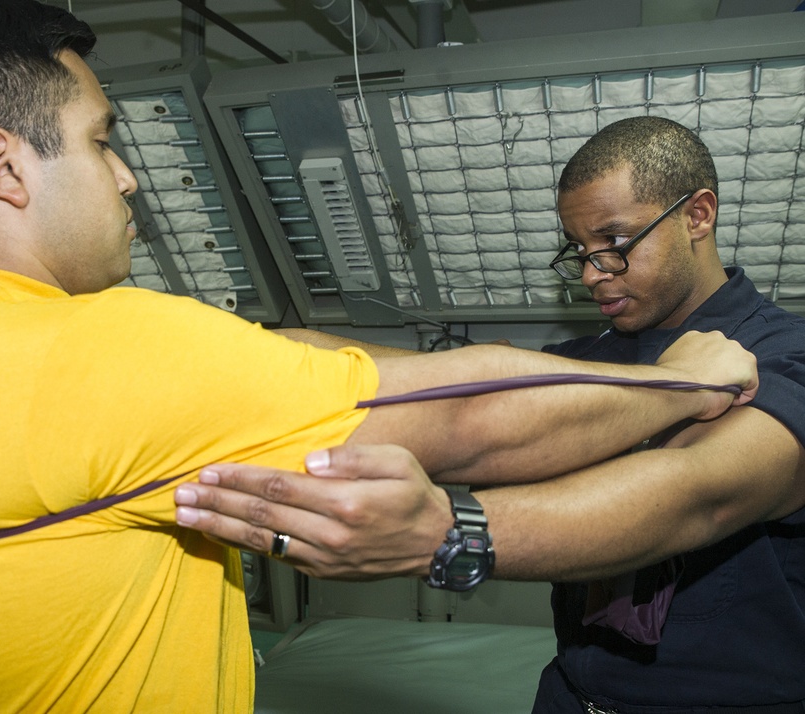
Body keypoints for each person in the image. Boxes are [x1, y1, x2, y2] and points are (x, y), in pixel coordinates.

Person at [0, 2, 759, 709]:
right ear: (4, 168)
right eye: (101, 140)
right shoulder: (94, 349)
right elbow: (476, 415)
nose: (126, 174)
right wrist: (687, 380)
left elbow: (270, 357)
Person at [176, 116, 805, 712]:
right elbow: (440, 393)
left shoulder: (785, 357)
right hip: (572, 694)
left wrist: (447, 534)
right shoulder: (587, 361)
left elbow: (700, 494)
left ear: (698, 214)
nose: (592, 272)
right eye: (578, 249)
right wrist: (230, 350)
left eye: (614, 242)